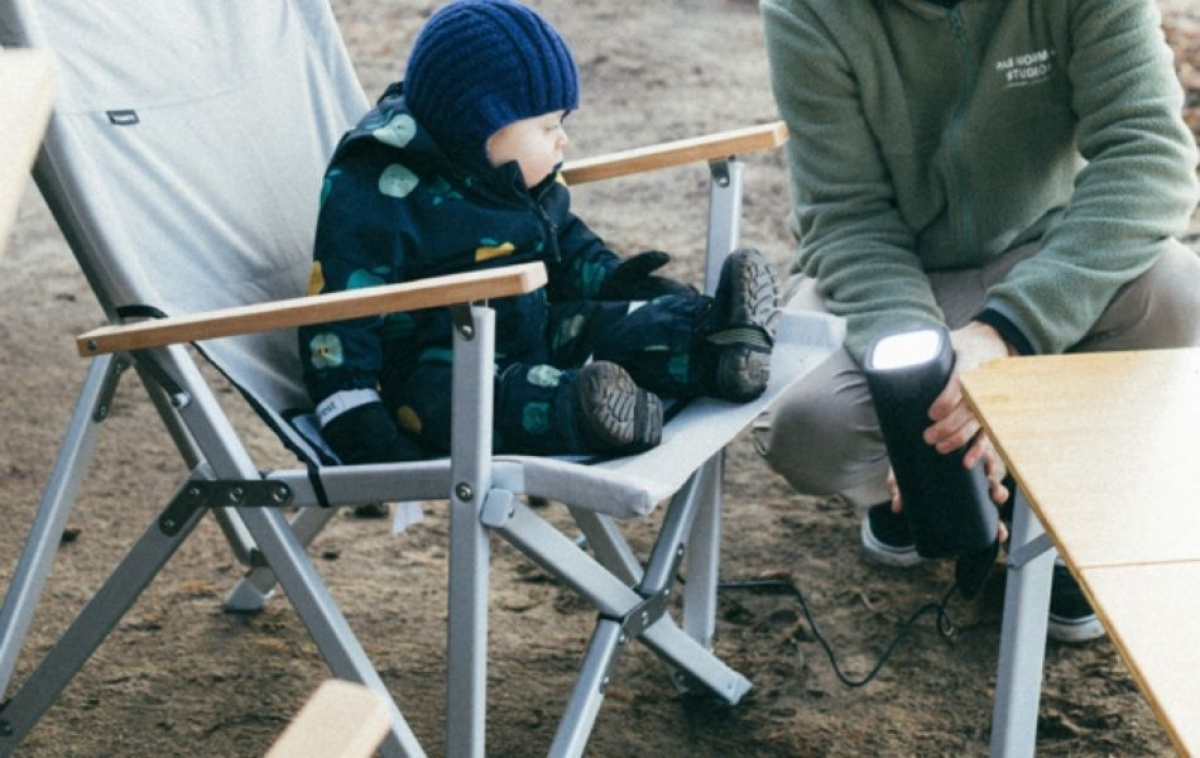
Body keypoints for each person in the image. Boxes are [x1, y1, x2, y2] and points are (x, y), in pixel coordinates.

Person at [759, 0, 1200, 642]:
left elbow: (1149, 157)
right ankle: (912, 485)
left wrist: (1007, 333)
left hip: (1044, 250)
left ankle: (1050, 504)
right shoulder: (808, 11)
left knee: (1180, 297)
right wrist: (924, 398)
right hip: (897, 274)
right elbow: (848, 219)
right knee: (810, 431)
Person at [299, 0, 779, 475]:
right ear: (481, 127)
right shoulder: (378, 191)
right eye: (548, 127)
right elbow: (341, 312)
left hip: (538, 326)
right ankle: (581, 411)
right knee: (462, 402)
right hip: (442, 361)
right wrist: (353, 413)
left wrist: (614, 281)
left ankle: (714, 341)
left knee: (626, 325)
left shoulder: (517, 177)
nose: (562, 139)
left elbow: (563, 240)